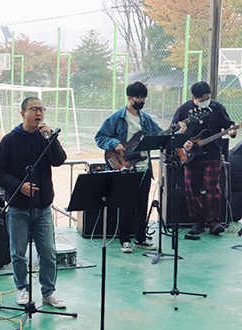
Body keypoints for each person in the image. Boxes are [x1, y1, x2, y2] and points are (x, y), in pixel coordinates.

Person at [0, 96, 67, 308]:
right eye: (34, 109)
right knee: (18, 253)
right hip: (18, 207)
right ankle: (23, 289)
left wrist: (51, 139)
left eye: (42, 109)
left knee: (49, 253)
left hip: (42, 207)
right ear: (22, 113)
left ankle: (48, 292)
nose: (39, 113)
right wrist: (19, 186)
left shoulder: (45, 137)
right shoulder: (10, 140)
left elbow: (59, 160)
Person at [95, 81, 162, 253]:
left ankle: (140, 238)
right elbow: (100, 137)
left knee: (142, 203)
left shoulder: (146, 119)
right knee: (125, 204)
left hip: (144, 166)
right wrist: (114, 143)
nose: (141, 101)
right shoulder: (117, 118)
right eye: (138, 98)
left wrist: (178, 131)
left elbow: (160, 135)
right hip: (124, 166)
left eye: (143, 98)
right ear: (129, 98)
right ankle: (124, 239)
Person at [172, 81, 236, 235]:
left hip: (212, 153)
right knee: (191, 189)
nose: (206, 101)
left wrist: (232, 131)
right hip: (191, 156)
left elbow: (229, 125)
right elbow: (173, 130)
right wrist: (183, 141)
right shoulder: (184, 109)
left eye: (208, 98)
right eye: (202, 100)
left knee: (213, 188)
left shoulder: (217, 108)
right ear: (193, 97)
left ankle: (214, 221)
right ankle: (197, 221)